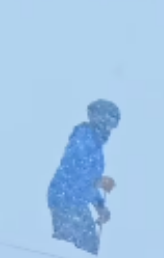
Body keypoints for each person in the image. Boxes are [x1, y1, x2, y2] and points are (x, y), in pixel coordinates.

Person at [47, 99, 120, 255]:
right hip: (66, 200)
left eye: (114, 126)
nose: (110, 130)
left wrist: (99, 205)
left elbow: (89, 183)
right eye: (110, 124)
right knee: (76, 248)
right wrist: (99, 181)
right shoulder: (84, 137)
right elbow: (74, 169)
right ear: (101, 120)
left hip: (76, 202)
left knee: (89, 245)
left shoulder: (97, 147)